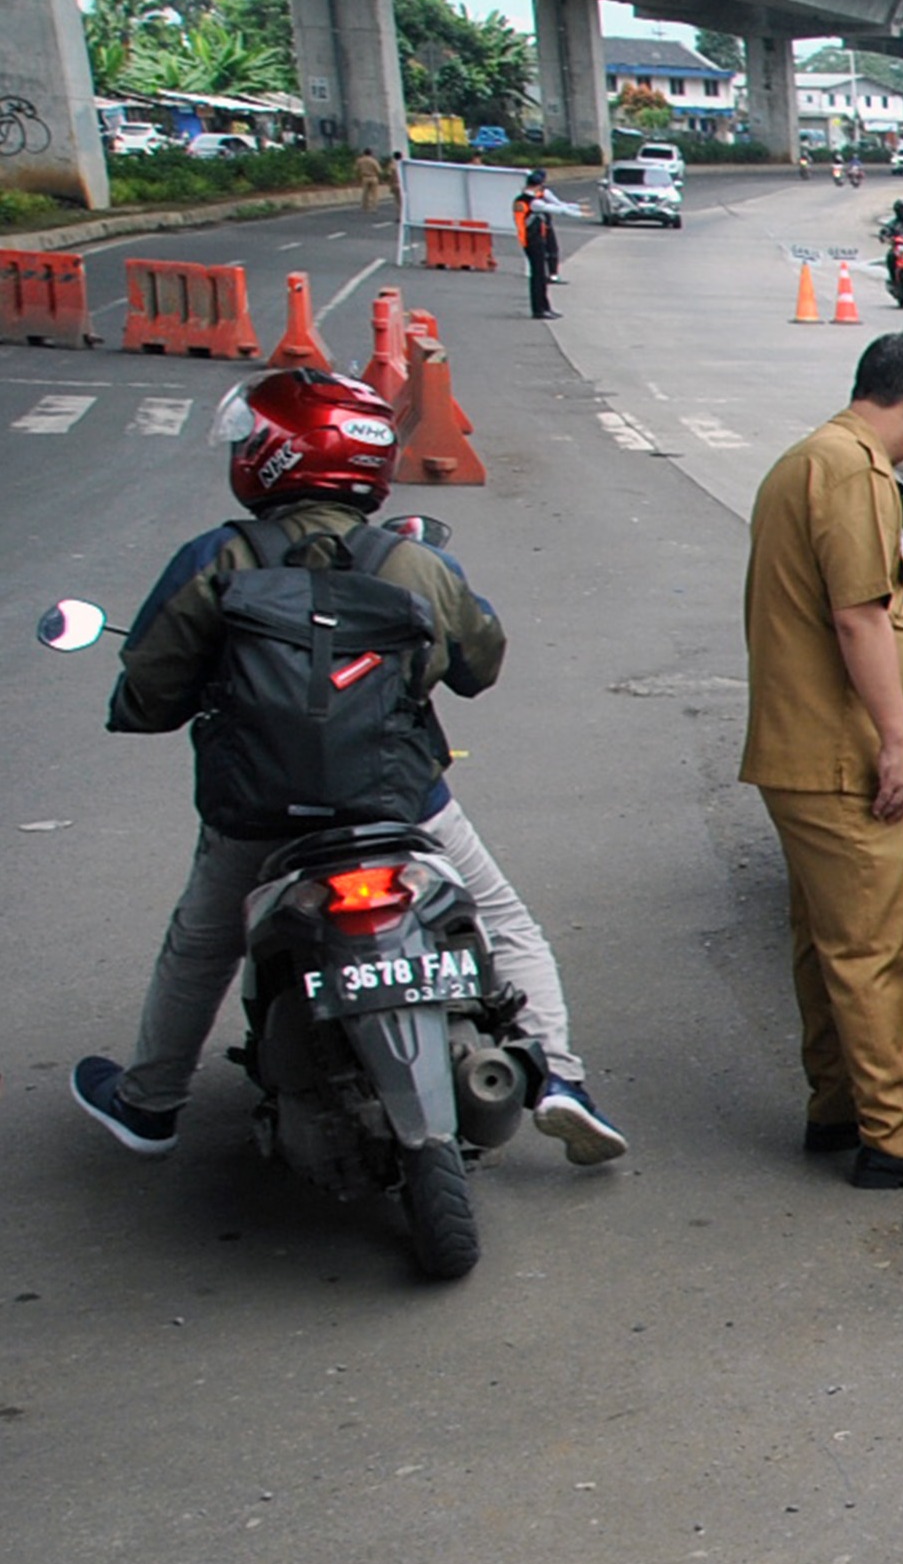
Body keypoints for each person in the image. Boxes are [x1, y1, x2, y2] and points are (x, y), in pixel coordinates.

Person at [68, 367, 625, 1167]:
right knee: (504, 924)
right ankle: (560, 1081)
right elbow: (478, 664)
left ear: (270, 456)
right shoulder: (410, 564)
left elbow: (149, 696)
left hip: (257, 816)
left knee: (202, 943)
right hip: (401, 804)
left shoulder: (216, 559)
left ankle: (150, 1102)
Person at [740, 331, 903, 1191]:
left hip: (799, 750)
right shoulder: (853, 472)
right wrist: (899, 745)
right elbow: (860, 618)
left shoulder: (808, 458)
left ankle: (842, 1103)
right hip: (837, 756)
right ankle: (899, 1136)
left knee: (826, 945)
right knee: (876, 950)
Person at [517, 167, 566, 320]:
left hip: (533, 238)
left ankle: (544, 307)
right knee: (538, 276)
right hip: (532, 239)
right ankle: (539, 309)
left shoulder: (524, 199)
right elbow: (554, 208)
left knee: (540, 274)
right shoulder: (532, 202)